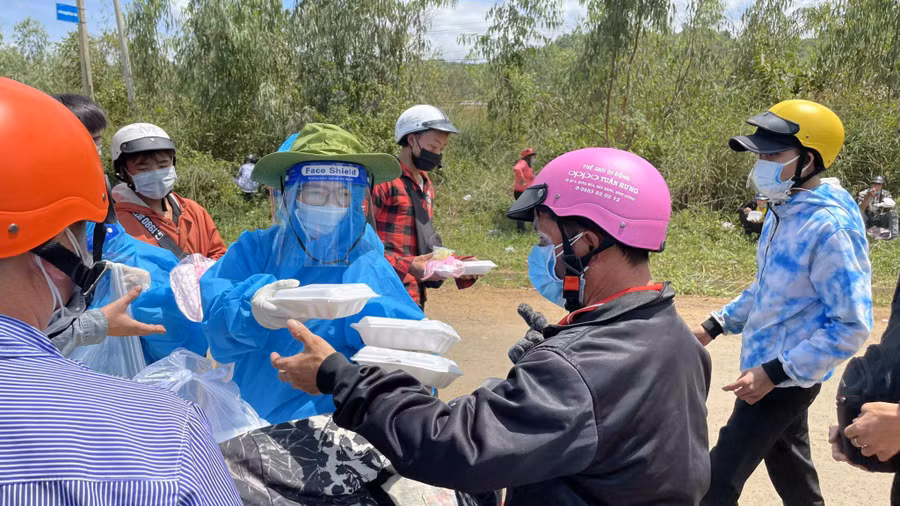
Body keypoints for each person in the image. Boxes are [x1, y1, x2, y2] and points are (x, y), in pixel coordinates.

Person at [266, 147, 713, 505]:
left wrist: (340, 377)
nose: (542, 254)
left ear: (588, 243)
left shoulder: (578, 371)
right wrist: (559, 351)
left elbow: (452, 446)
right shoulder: (679, 340)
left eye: (546, 240)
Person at [0, 77, 240, 504]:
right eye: (142, 165)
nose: (155, 172)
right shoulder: (165, 440)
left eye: (161, 161)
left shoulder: (190, 210)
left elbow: (215, 252)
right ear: (68, 240)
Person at [693, 99, 873, 506]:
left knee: (713, 483)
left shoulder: (829, 229)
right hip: (770, 368)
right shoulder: (785, 208)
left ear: (808, 160)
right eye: (760, 154)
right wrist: (713, 326)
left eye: (773, 154)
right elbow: (769, 287)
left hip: (783, 379)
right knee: (790, 466)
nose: (762, 163)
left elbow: (852, 324)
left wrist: (774, 373)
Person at [199, 123, 425, 425]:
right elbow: (216, 335)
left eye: (342, 195)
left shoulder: (364, 263)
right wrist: (248, 309)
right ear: (288, 195)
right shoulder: (254, 250)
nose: (330, 205)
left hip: (335, 431)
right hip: (253, 424)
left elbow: (405, 351)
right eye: (316, 192)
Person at [45, 96, 207, 365]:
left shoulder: (188, 209)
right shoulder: (32, 207)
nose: (91, 149)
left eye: (96, 141)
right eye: (85, 138)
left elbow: (118, 246)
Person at [372, 105, 478, 309]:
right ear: (411, 140)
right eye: (432, 147)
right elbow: (359, 243)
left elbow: (423, 244)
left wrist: (459, 263)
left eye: (441, 149)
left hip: (414, 297)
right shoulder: (383, 180)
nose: (437, 154)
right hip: (382, 294)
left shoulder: (426, 186)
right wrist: (407, 265)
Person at [111, 122, 228, 260]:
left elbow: (219, 255)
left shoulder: (194, 211)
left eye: (163, 165)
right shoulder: (116, 223)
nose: (156, 173)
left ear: (173, 163)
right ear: (123, 172)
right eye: (143, 169)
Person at [858, 175, 898, 239]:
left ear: (882, 185)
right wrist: (869, 196)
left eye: (879, 184)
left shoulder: (886, 194)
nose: (876, 186)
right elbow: (861, 208)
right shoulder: (863, 193)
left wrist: (889, 205)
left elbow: (891, 206)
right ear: (871, 184)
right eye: (874, 183)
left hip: (881, 217)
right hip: (868, 217)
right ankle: (863, 235)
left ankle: (894, 236)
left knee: (893, 212)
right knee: (860, 213)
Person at [513, 148, 537, 232]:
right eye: (533, 157)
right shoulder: (522, 163)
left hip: (526, 192)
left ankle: (526, 228)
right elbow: (516, 168)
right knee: (523, 210)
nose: (534, 159)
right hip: (521, 191)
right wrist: (522, 179)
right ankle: (521, 229)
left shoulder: (528, 166)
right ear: (528, 157)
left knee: (531, 209)